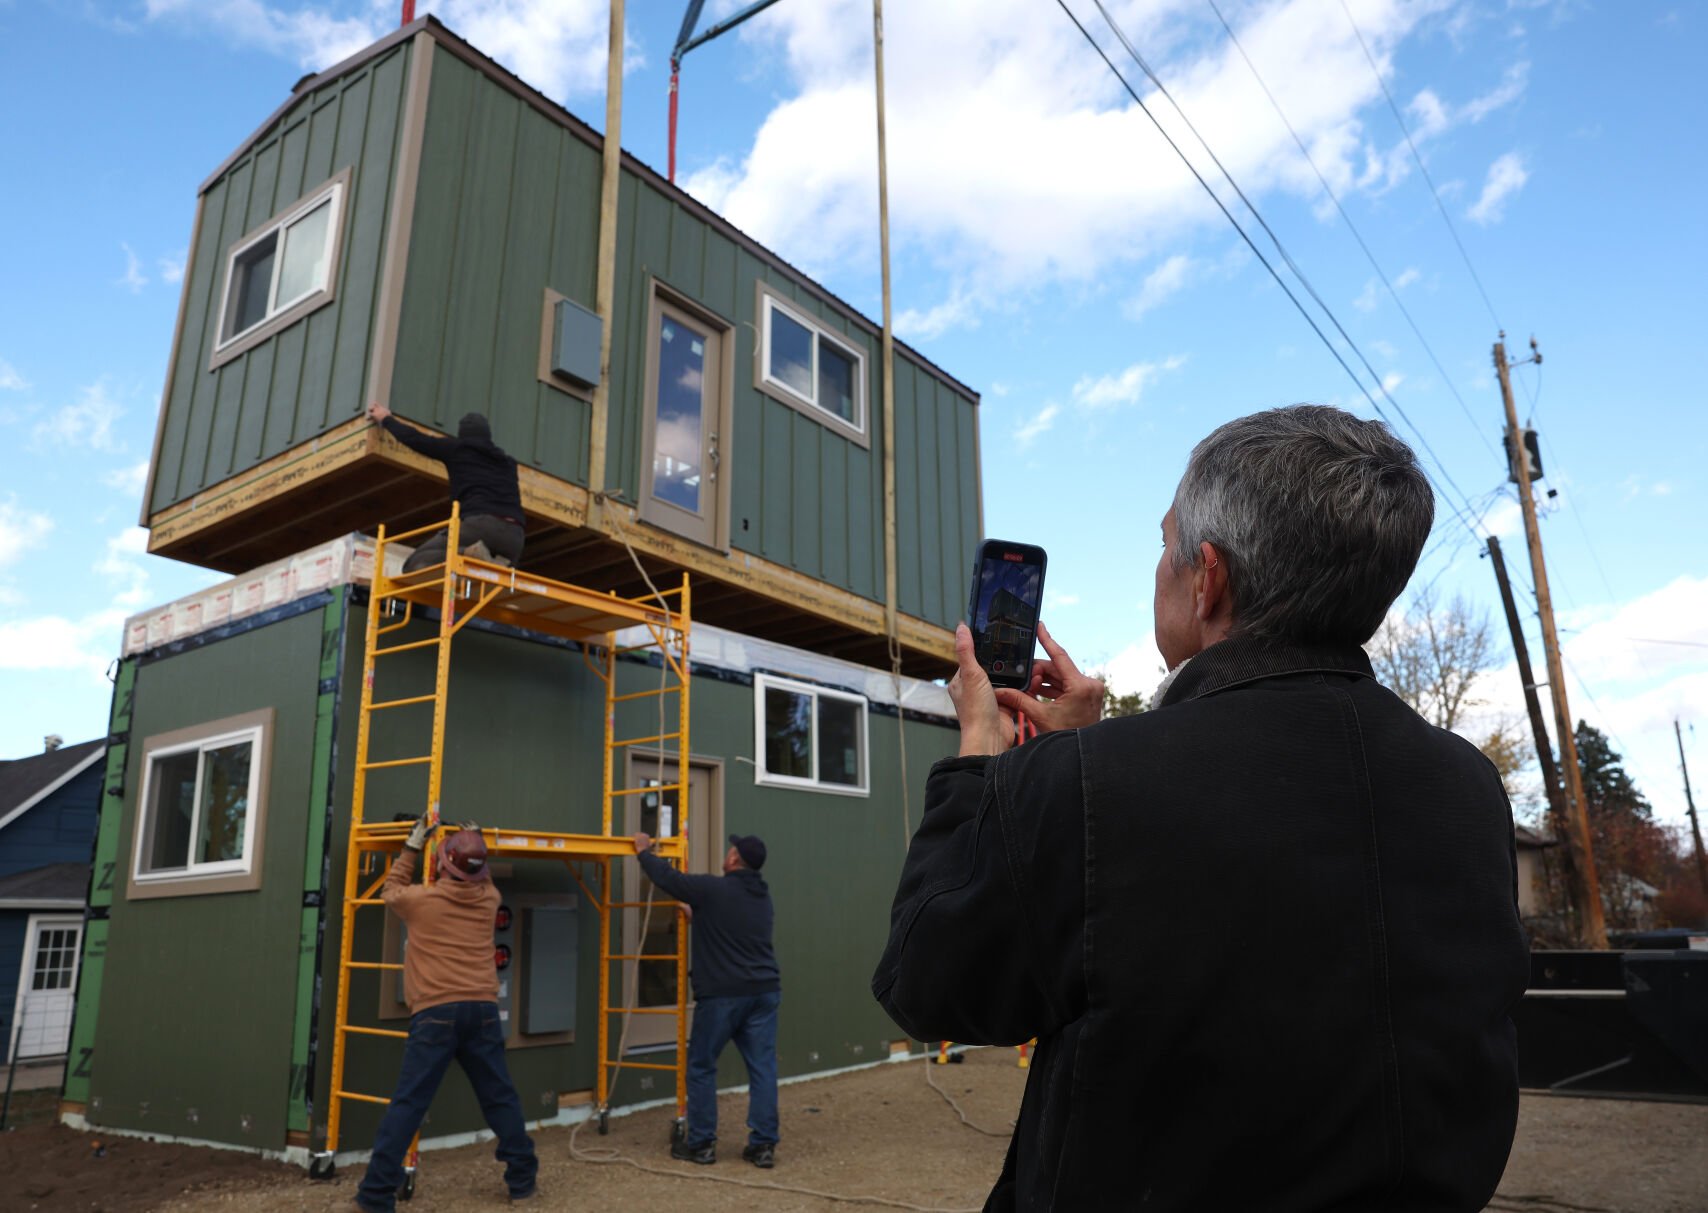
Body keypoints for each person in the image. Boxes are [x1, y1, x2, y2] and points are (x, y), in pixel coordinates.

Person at [872, 405, 1529, 1211]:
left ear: (1207, 577)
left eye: (1164, 543)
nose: (1159, 565)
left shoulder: (1089, 786)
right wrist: (1083, 758)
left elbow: (929, 981)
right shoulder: (1467, 787)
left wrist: (984, 755)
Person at [356, 816, 538, 1211]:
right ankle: (522, 1182)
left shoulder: (422, 901)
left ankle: (374, 1196)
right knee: (500, 1097)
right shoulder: (489, 899)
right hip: (483, 1010)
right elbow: (483, 879)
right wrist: (474, 840)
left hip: (436, 1012)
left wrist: (412, 846)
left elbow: (390, 890)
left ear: (443, 864)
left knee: (409, 1104)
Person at [630, 831, 780, 1169]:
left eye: (730, 850)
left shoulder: (713, 889)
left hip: (723, 997)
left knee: (700, 1067)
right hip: (764, 993)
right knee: (763, 1069)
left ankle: (701, 1145)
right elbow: (735, 927)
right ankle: (763, 1146)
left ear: (733, 859)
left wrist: (643, 852)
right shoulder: (761, 897)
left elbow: (669, 878)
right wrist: (700, 915)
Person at [366, 401, 525, 571]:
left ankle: (470, 554)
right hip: (515, 537)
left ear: (461, 435)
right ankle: (487, 560)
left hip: (480, 526)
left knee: (415, 563)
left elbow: (416, 439)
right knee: (481, 585)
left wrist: (386, 418)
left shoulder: (458, 449)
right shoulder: (508, 463)